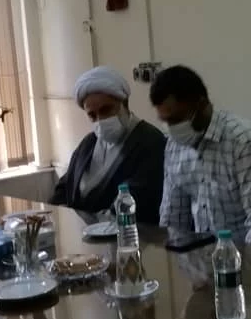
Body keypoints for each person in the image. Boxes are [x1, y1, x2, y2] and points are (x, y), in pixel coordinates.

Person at [149, 65, 251, 248]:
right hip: (206, 256)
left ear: (201, 105)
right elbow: (172, 218)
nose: (172, 128)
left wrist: (235, 264)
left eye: (176, 119)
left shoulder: (247, 142)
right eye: (166, 121)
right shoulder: (174, 147)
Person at [50, 65, 166, 222]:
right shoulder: (89, 143)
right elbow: (66, 186)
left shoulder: (150, 141)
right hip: (82, 231)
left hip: (125, 233)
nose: (100, 120)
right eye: (92, 115)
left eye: (106, 110)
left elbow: (138, 198)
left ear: (124, 104)